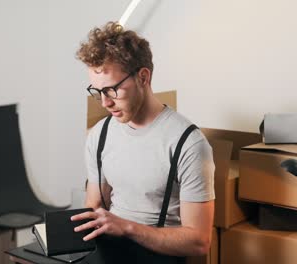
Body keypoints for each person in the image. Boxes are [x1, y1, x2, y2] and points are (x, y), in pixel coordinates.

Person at [71, 21, 215, 260]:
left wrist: (127, 227)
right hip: (108, 250)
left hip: (158, 255)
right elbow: (93, 207)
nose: (105, 103)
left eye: (112, 90)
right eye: (97, 92)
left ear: (143, 77)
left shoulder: (189, 143)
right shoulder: (99, 134)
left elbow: (199, 242)